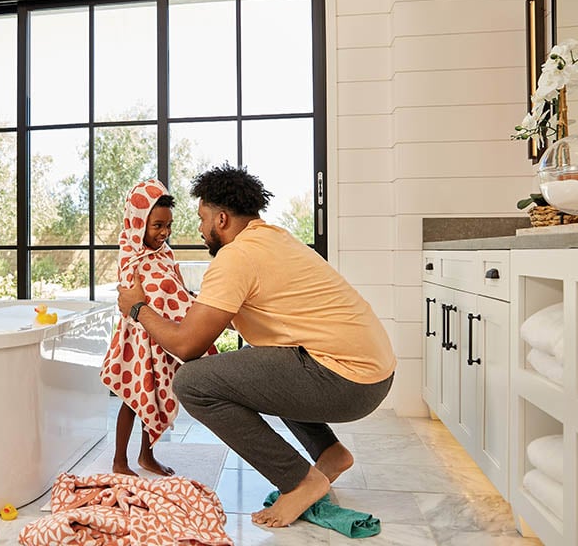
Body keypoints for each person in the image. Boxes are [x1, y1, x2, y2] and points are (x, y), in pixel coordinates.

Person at [116, 163, 396, 528]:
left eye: (202, 218)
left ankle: (299, 481)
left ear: (220, 218)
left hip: (347, 382)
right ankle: (330, 454)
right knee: (253, 362)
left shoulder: (236, 257)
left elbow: (186, 347)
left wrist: (138, 308)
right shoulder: (273, 238)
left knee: (192, 383)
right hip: (372, 374)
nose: (199, 229)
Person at [100, 178, 204, 477]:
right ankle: (120, 460)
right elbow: (134, 296)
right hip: (137, 338)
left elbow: (174, 290)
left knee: (156, 394)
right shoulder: (130, 254)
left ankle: (147, 455)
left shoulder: (166, 254)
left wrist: (191, 304)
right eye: (157, 225)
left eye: (168, 225)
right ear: (138, 222)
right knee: (134, 398)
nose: (164, 232)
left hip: (162, 335)